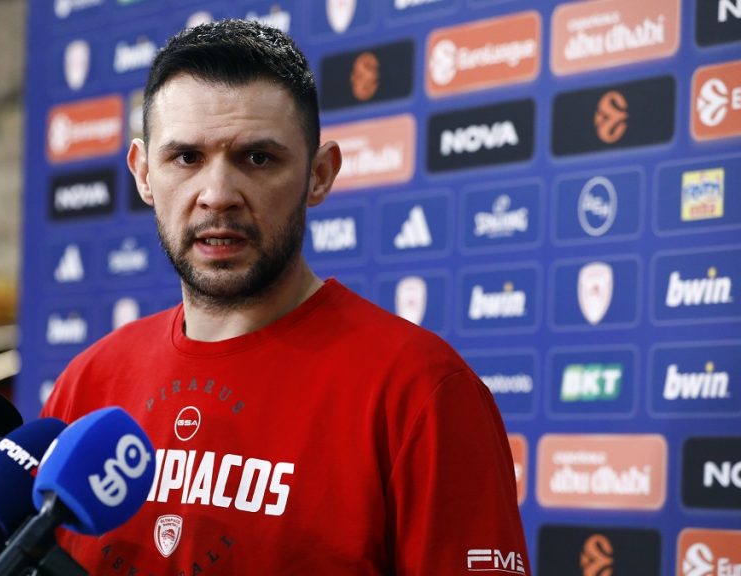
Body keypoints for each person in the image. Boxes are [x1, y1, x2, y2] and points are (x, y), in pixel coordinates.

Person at [42, 18, 530, 575]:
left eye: (257, 158)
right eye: (186, 158)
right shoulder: (87, 386)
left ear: (319, 175)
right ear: (143, 173)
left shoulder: (420, 391)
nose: (217, 195)